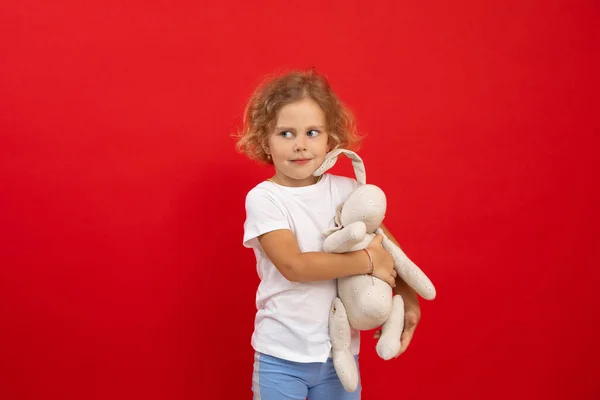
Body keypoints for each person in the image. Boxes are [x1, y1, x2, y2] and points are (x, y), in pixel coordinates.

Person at [236, 69, 422, 399]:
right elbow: (294, 266)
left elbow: (390, 250)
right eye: (286, 134)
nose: (300, 145)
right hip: (281, 356)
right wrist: (366, 261)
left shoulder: (348, 190)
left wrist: (408, 298)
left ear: (330, 139)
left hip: (340, 356)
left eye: (312, 132)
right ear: (265, 140)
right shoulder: (265, 198)